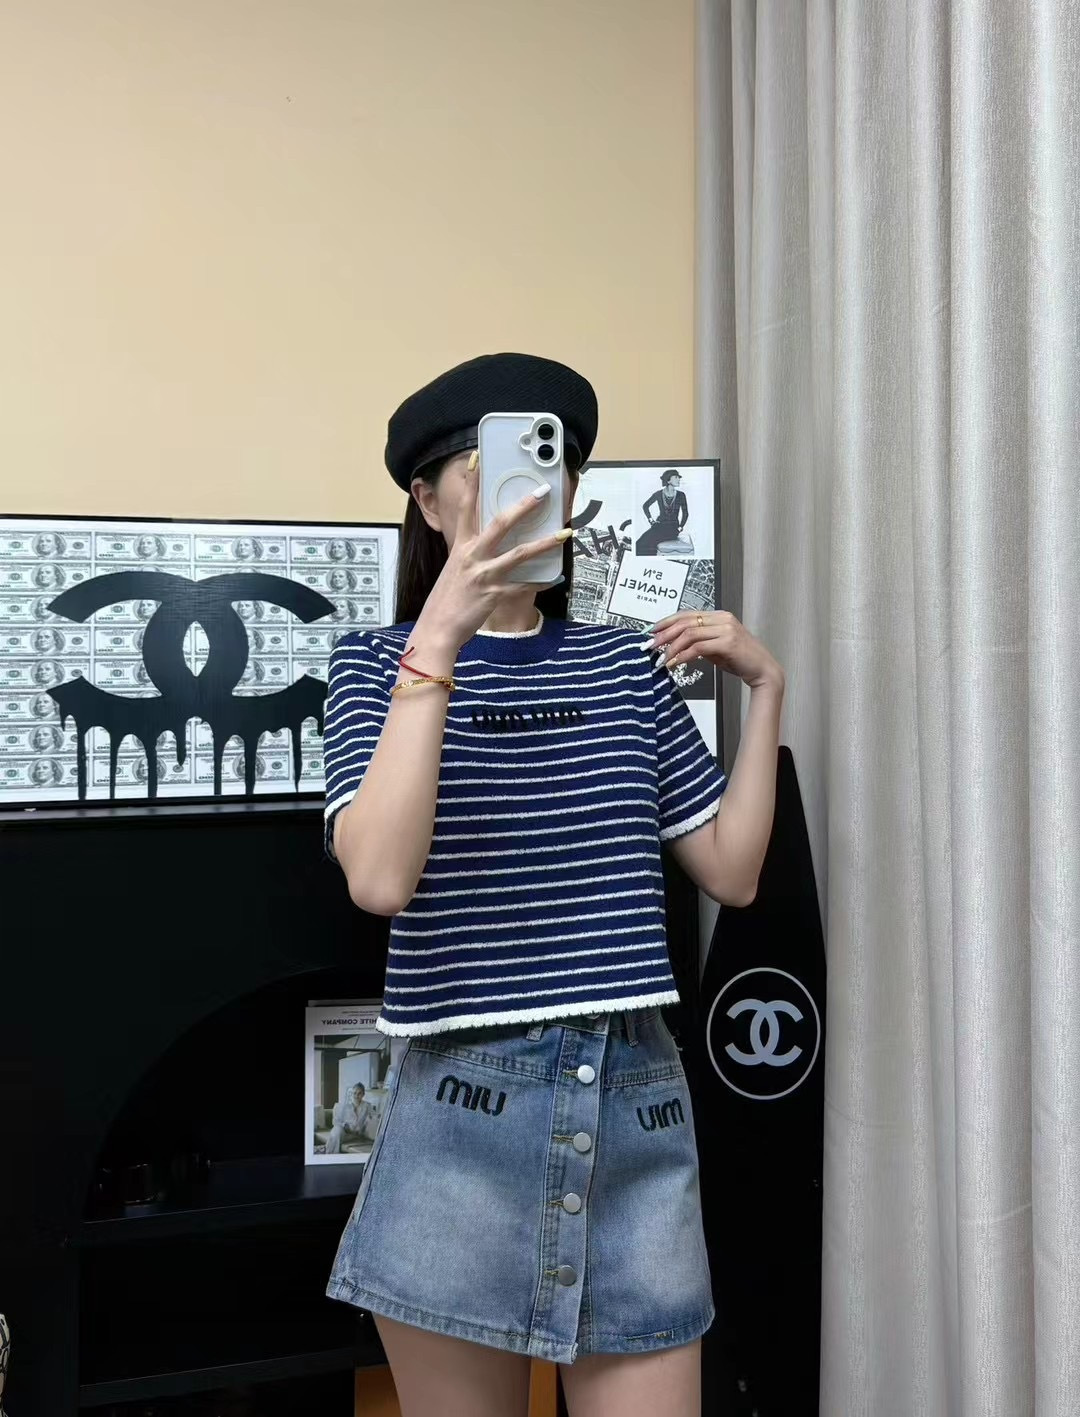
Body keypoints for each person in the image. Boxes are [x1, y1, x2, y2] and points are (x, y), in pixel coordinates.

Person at [321, 353, 784, 1417]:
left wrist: (766, 688)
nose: (529, 494)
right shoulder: (371, 665)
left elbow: (734, 872)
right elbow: (381, 879)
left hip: (637, 1108)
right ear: (427, 500)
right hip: (460, 1117)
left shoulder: (625, 667)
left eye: (552, 470)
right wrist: (440, 637)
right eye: (489, 469)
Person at [636, 468, 689, 556]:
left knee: (651, 542)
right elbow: (645, 506)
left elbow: (685, 513)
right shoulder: (658, 494)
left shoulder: (681, 495)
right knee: (640, 542)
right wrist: (651, 520)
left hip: (673, 528)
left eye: (678, 477)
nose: (679, 479)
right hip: (659, 526)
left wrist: (680, 527)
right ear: (668, 480)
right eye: (676, 477)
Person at [325, 1082, 378, 1154]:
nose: (356, 1096)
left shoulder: (367, 1106)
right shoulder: (345, 1106)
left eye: (359, 1093)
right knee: (337, 1131)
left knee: (336, 1134)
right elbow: (335, 1121)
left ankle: (329, 1153)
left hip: (356, 1135)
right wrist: (344, 1125)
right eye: (355, 1093)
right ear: (352, 1093)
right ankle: (330, 1155)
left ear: (363, 1095)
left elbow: (376, 1117)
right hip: (344, 1133)